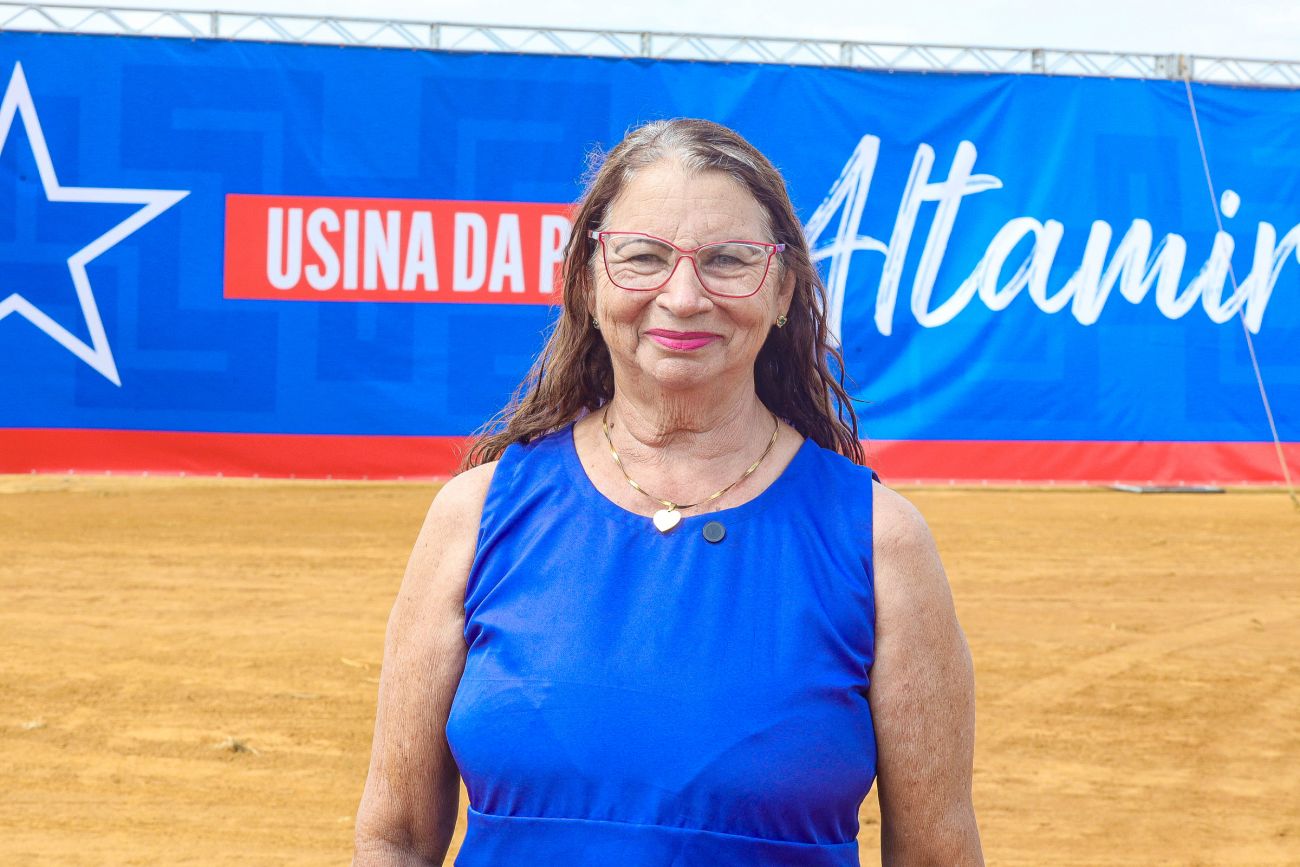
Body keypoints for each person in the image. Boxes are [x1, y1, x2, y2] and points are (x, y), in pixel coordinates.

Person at [352, 118, 983, 866]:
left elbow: (937, 856)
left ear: (782, 288)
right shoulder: (473, 517)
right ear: (588, 280)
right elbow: (395, 838)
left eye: (728, 260)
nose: (683, 297)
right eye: (643, 257)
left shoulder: (881, 544)